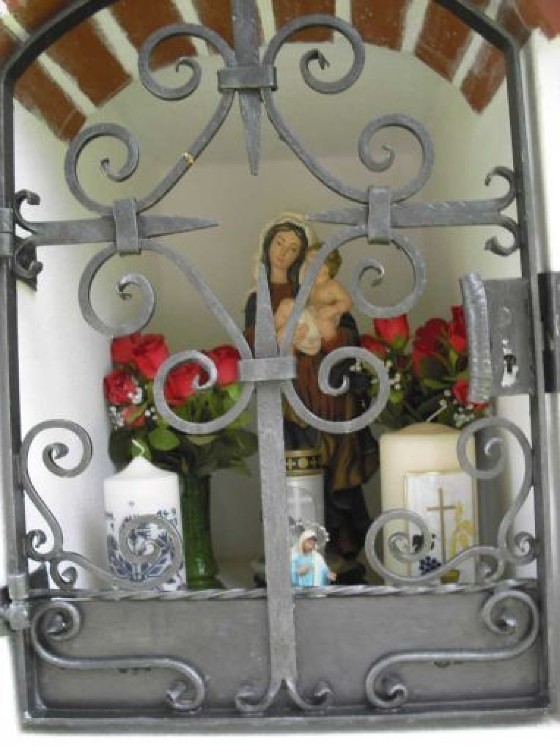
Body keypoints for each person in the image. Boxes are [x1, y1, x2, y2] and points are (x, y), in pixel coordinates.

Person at [244, 214, 378, 570]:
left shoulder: (320, 289)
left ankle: (342, 545)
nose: (283, 253)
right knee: (292, 467)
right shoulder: (259, 297)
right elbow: (254, 346)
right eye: (279, 244)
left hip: (329, 394)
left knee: (334, 463)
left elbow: (348, 335)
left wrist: (328, 335)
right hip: (288, 398)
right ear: (266, 245)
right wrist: (287, 342)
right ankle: (293, 548)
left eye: (293, 248)